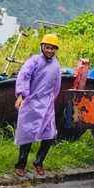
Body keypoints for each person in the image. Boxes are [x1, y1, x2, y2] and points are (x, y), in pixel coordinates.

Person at [14, 33, 63, 177]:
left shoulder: (56, 65)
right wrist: (21, 95)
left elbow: (56, 86)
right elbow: (23, 77)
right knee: (27, 135)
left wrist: (50, 101)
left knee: (50, 135)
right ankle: (20, 165)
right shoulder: (33, 61)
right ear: (42, 47)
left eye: (53, 49)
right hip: (31, 103)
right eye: (48, 47)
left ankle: (39, 161)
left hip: (47, 105)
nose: (50, 51)